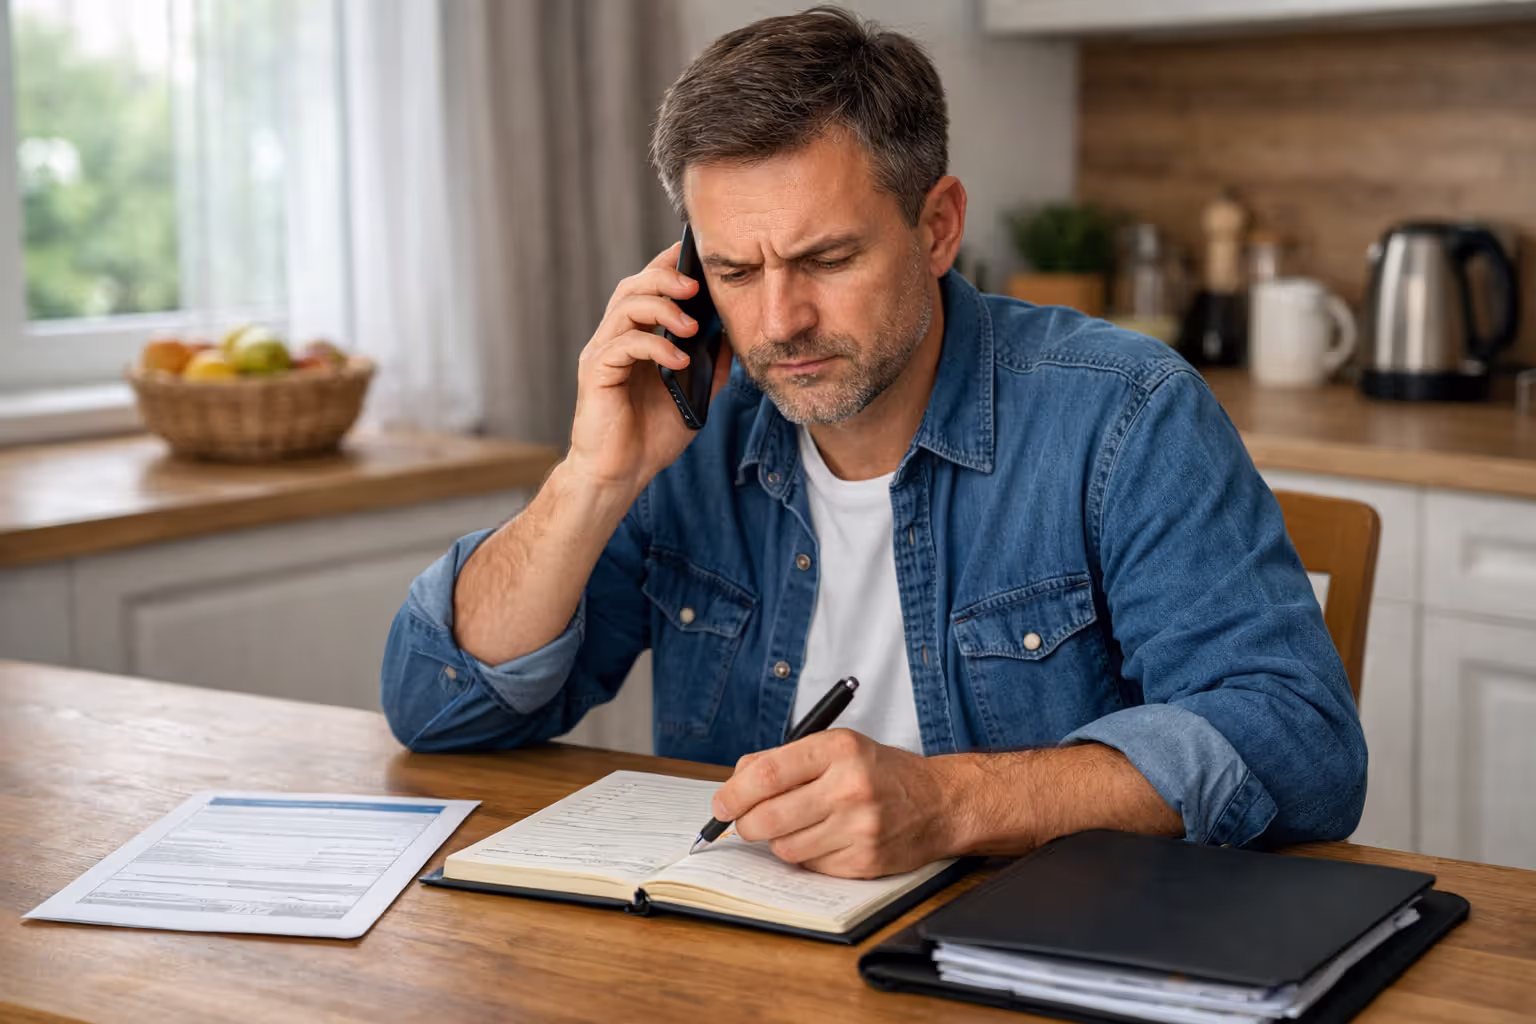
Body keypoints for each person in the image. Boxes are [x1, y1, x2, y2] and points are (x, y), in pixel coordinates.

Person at [381, 7, 1365, 879]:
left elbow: (1302, 745)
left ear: (937, 227)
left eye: (828, 258)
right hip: (740, 974)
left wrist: (949, 805)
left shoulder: (1125, 412)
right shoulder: (690, 426)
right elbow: (437, 710)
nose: (778, 321)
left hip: (1026, 961)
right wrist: (593, 478)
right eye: (732, 268)